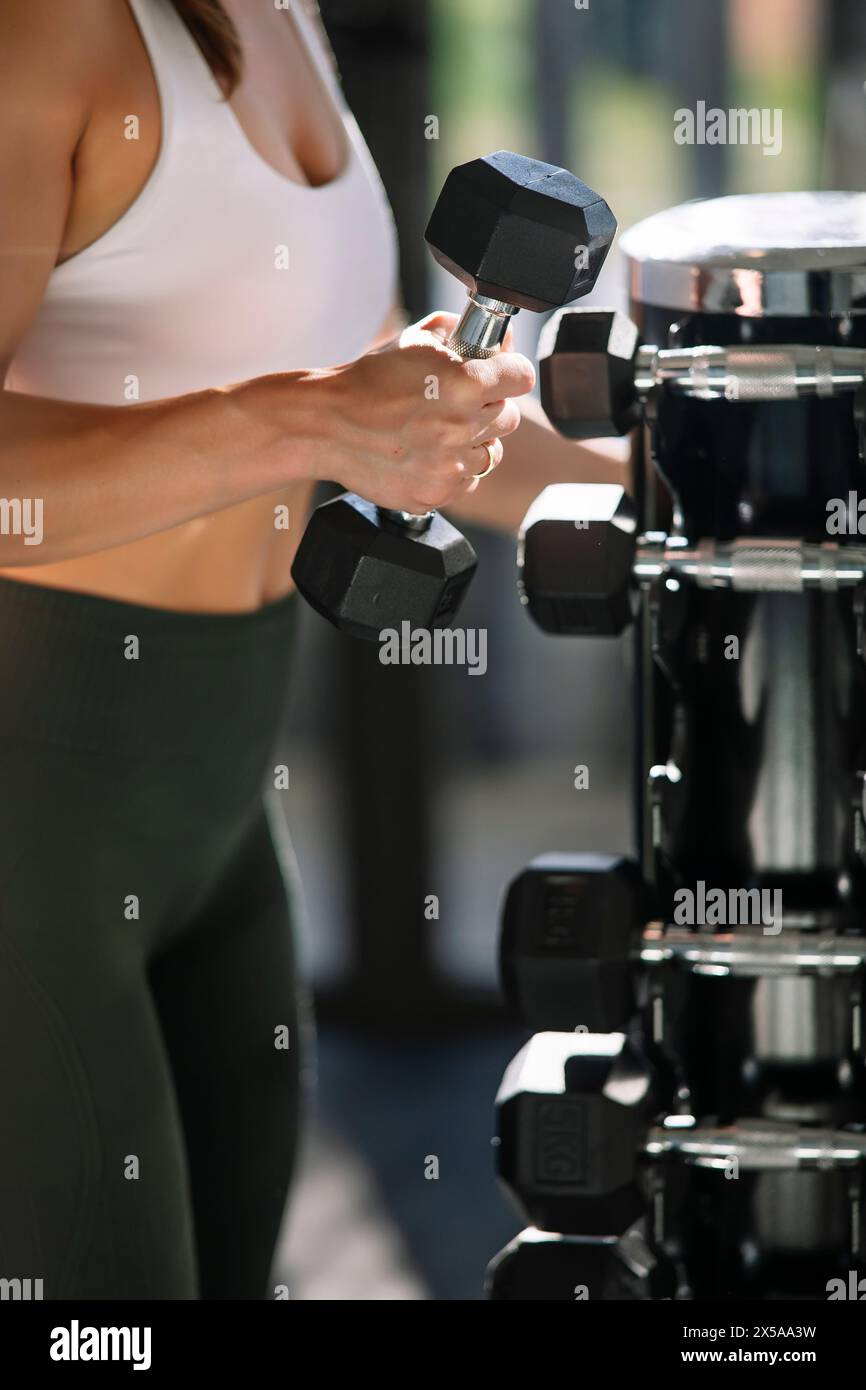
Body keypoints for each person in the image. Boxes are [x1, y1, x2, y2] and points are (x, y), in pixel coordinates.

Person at [0, 0, 618, 1299]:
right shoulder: (53, 30)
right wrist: (301, 423)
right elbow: (318, 409)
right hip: (38, 810)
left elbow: (384, 402)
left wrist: (693, 480)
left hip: (216, 794)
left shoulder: (280, 14)